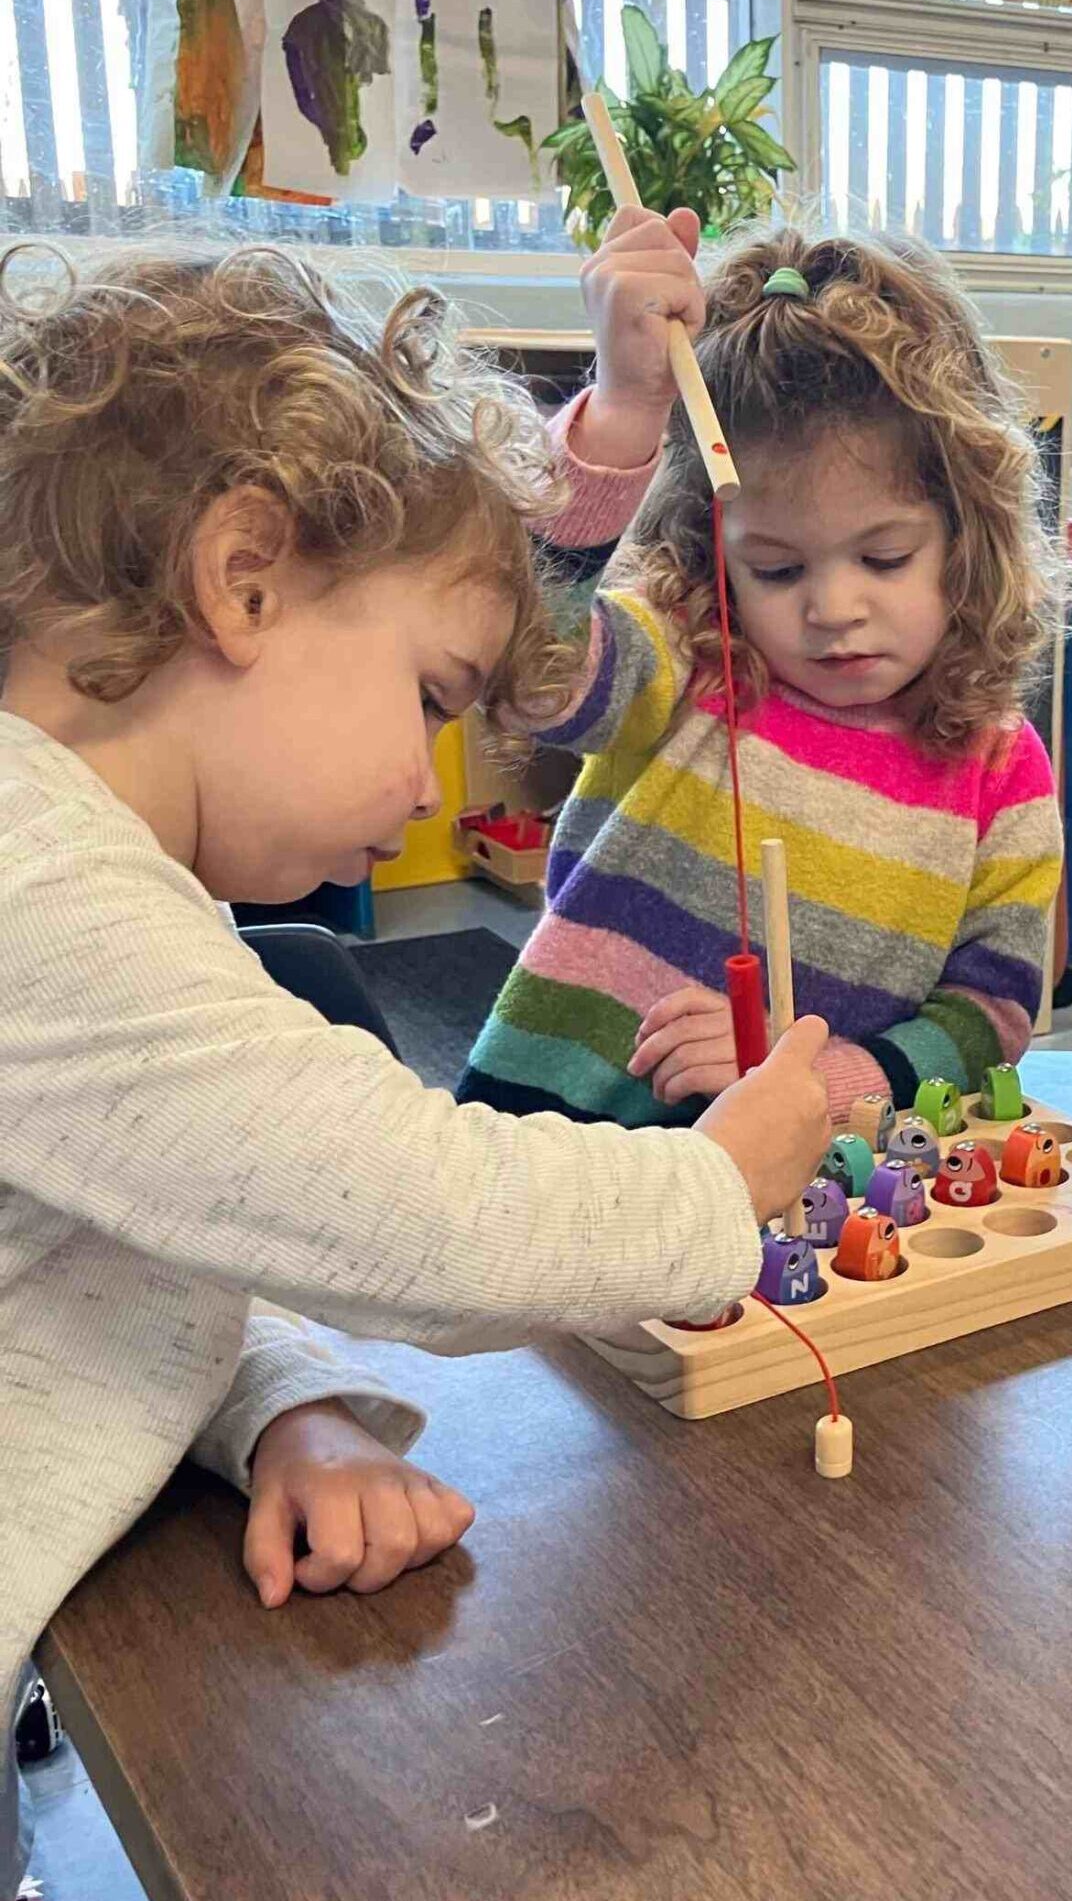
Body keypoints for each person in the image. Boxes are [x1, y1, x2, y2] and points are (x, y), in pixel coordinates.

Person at [0, 236, 832, 1892]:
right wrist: (712, 1184)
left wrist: (286, 1407)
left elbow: (135, 1232)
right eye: (432, 696)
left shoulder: (88, 888)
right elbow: (413, 1205)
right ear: (244, 578)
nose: (437, 782)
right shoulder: (37, 890)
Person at [457, 225, 1072, 1130]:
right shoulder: (691, 651)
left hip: (811, 1189)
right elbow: (534, 678)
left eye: (885, 557)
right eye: (777, 569)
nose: (833, 608)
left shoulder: (999, 767)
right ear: (717, 549)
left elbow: (992, 1014)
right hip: (562, 1150)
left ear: (967, 534)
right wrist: (622, 414)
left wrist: (833, 1075)